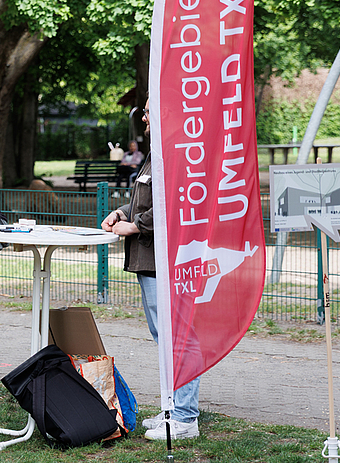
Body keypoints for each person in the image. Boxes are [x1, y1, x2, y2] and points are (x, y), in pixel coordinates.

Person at [101, 100, 200, 440]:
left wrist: (137, 226)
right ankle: (173, 409)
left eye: (147, 110)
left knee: (179, 339)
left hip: (167, 262)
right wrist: (122, 213)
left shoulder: (176, 152)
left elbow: (176, 201)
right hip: (150, 261)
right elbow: (146, 199)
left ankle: (185, 418)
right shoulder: (155, 152)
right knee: (165, 338)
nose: (143, 117)